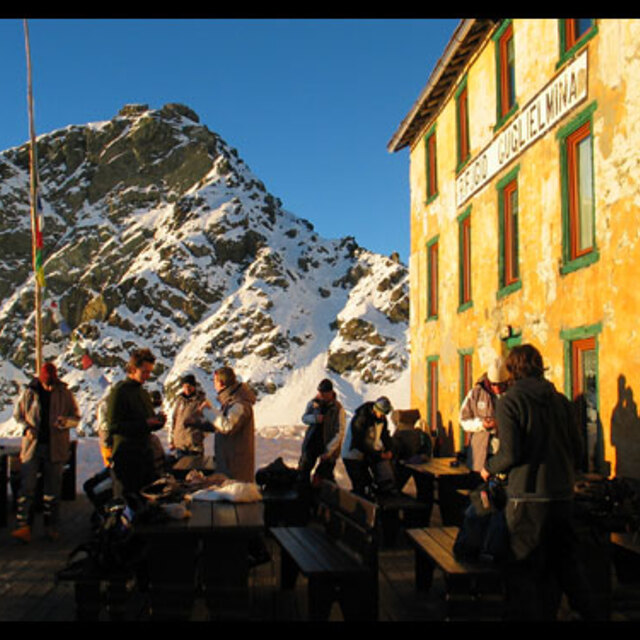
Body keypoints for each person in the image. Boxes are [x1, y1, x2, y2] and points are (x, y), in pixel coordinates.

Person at [481, 343, 597, 620]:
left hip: (527, 500)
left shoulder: (510, 401)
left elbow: (510, 453)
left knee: (523, 573)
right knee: (566, 570)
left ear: (512, 370)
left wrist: (489, 467)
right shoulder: (560, 401)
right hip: (561, 498)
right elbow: (578, 451)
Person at [12, 362, 80, 543]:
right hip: (33, 446)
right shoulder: (30, 392)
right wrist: (27, 428)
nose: (49, 385)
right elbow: (18, 415)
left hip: (56, 446)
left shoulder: (64, 393)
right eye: (46, 382)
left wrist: (65, 422)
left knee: (53, 489)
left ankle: (52, 527)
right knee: (27, 487)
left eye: (52, 382)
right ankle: (23, 526)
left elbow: (76, 418)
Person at [106, 348, 166, 502]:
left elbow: (147, 423)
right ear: (133, 369)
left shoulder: (143, 393)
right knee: (129, 502)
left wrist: (157, 422)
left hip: (144, 456)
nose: (148, 376)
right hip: (127, 458)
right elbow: (113, 426)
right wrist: (144, 423)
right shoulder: (119, 392)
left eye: (149, 372)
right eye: (144, 371)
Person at [200, 366, 256, 483]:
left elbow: (228, 426)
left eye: (214, 381)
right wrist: (198, 424)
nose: (214, 385)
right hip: (229, 464)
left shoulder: (240, 403)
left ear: (221, 383)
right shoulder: (231, 402)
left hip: (236, 469)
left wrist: (207, 410)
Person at [459, 357, 508, 475]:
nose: (497, 388)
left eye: (501, 385)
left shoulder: (512, 395)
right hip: (480, 456)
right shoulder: (476, 393)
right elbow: (463, 420)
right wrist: (481, 424)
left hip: (503, 455)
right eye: (494, 384)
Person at [341, 396, 396, 498]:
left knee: (369, 485)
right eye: (382, 413)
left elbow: (384, 436)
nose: (383, 416)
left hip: (365, 454)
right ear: (376, 410)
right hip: (352, 454)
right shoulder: (361, 418)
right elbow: (360, 442)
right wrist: (378, 454)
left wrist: (389, 449)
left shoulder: (381, 419)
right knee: (360, 484)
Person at [297, 378, 346, 485]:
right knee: (303, 471)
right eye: (320, 392)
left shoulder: (338, 409)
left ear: (330, 393)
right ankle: (303, 494)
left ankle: (321, 494)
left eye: (324, 393)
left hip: (328, 444)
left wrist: (329, 451)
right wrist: (315, 418)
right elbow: (304, 418)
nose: (321, 395)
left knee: (323, 476)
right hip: (312, 442)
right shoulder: (314, 403)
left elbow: (339, 432)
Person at [169, 374, 208, 458]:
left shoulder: (201, 401)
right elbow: (174, 419)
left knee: (195, 470)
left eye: (189, 386)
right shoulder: (179, 401)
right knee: (180, 470)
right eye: (185, 386)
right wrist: (171, 440)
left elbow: (209, 422)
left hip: (194, 447)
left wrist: (199, 437)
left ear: (194, 386)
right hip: (179, 446)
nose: (187, 389)